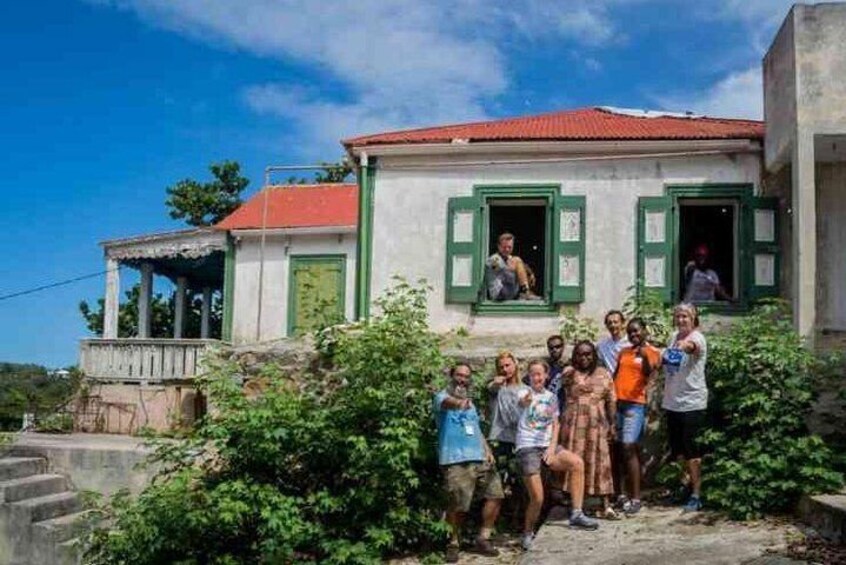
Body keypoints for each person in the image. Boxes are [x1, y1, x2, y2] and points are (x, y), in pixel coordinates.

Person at [517, 359, 599, 551]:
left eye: (540, 374)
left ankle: (576, 513)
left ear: (546, 376)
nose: (537, 377)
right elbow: (523, 401)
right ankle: (528, 533)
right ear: (529, 376)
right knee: (537, 497)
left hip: (547, 446)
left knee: (576, 463)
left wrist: (552, 448)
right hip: (527, 447)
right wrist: (527, 399)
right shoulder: (523, 391)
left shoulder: (552, 397)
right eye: (533, 374)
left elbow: (556, 424)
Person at [434, 363, 502, 562]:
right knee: (458, 504)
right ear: (452, 375)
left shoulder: (471, 404)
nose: (462, 379)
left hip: (479, 457)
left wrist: (487, 449)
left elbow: (476, 428)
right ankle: (453, 542)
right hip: (455, 459)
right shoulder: (440, 397)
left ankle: (483, 538)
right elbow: (447, 403)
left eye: (466, 376)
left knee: (496, 494)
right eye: (459, 375)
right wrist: (458, 404)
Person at [560, 341, 618, 519]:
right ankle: (577, 504)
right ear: (574, 356)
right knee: (576, 461)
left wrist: (612, 424)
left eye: (588, 354)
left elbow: (611, 401)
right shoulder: (569, 374)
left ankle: (606, 505)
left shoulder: (604, 374)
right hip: (574, 427)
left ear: (594, 355)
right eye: (580, 354)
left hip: (597, 426)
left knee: (601, 462)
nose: (584, 358)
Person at [662, 303, 708, 512]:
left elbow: (692, 348)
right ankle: (685, 486)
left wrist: (684, 346)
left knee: (692, 451)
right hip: (672, 402)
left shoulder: (697, 338)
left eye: (685, 317)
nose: (681, 320)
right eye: (678, 316)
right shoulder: (672, 337)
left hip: (692, 403)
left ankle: (697, 493)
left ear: (693, 318)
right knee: (678, 451)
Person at [613, 318, 661, 516]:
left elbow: (651, 374)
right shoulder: (623, 352)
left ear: (644, 331)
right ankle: (620, 494)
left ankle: (636, 497)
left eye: (637, 331)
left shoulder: (652, 352)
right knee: (618, 449)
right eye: (631, 332)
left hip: (635, 404)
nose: (634, 335)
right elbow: (615, 375)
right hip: (618, 404)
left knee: (629, 446)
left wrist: (645, 357)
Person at [487, 351, 524, 475]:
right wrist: (496, 383)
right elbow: (491, 388)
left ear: (515, 365)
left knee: (518, 476)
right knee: (498, 477)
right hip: (499, 439)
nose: (505, 369)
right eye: (501, 367)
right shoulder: (497, 387)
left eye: (508, 365)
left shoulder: (526, 389)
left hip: (519, 439)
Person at [485, 232, 538, 301]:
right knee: (517, 261)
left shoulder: (510, 258)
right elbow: (498, 269)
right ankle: (526, 292)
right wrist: (515, 268)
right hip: (499, 292)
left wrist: (530, 273)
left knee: (518, 263)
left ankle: (524, 294)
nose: (507, 250)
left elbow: (521, 266)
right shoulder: (494, 259)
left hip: (510, 291)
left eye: (509, 247)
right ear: (498, 246)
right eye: (504, 247)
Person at [597, 310, 629, 375]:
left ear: (623, 323)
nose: (613, 325)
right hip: (612, 383)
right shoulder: (602, 346)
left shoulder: (631, 343)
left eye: (615, 322)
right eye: (610, 323)